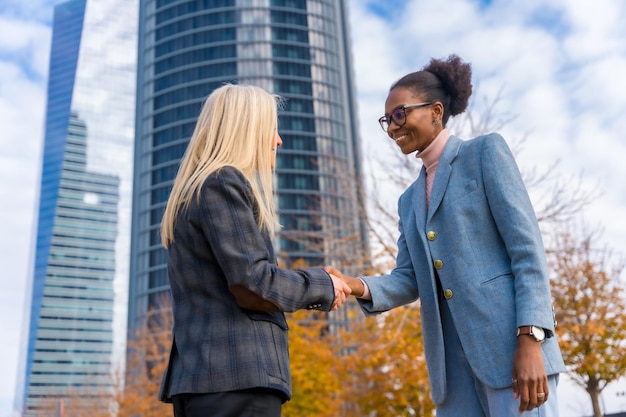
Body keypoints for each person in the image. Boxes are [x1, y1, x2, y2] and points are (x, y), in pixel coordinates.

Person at [326, 55, 565, 416]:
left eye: (399, 115)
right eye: (387, 120)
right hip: (453, 376)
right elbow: (410, 277)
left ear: (435, 110)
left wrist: (531, 338)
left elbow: (526, 251)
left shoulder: (484, 153)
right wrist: (355, 284)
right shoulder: (407, 201)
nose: (392, 128)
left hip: (514, 354)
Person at [158, 83, 352, 417]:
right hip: (235, 382)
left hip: (207, 382)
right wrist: (322, 284)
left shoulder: (194, 193)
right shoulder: (223, 183)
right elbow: (254, 282)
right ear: (247, 129)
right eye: (272, 128)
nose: (278, 140)